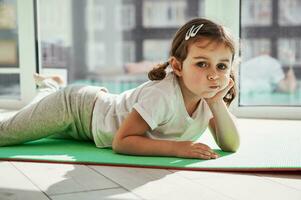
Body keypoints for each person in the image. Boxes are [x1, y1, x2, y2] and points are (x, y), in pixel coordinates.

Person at [0, 18, 240, 160]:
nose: (213, 74)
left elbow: (231, 144)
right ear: (177, 66)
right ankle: (54, 89)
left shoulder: (207, 95)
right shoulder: (162, 94)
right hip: (75, 109)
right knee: (5, 133)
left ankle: (51, 86)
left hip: (88, 127)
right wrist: (177, 148)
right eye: (201, 63)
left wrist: (217, 102)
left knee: (31, 117)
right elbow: (122, 141)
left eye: (221, 66)